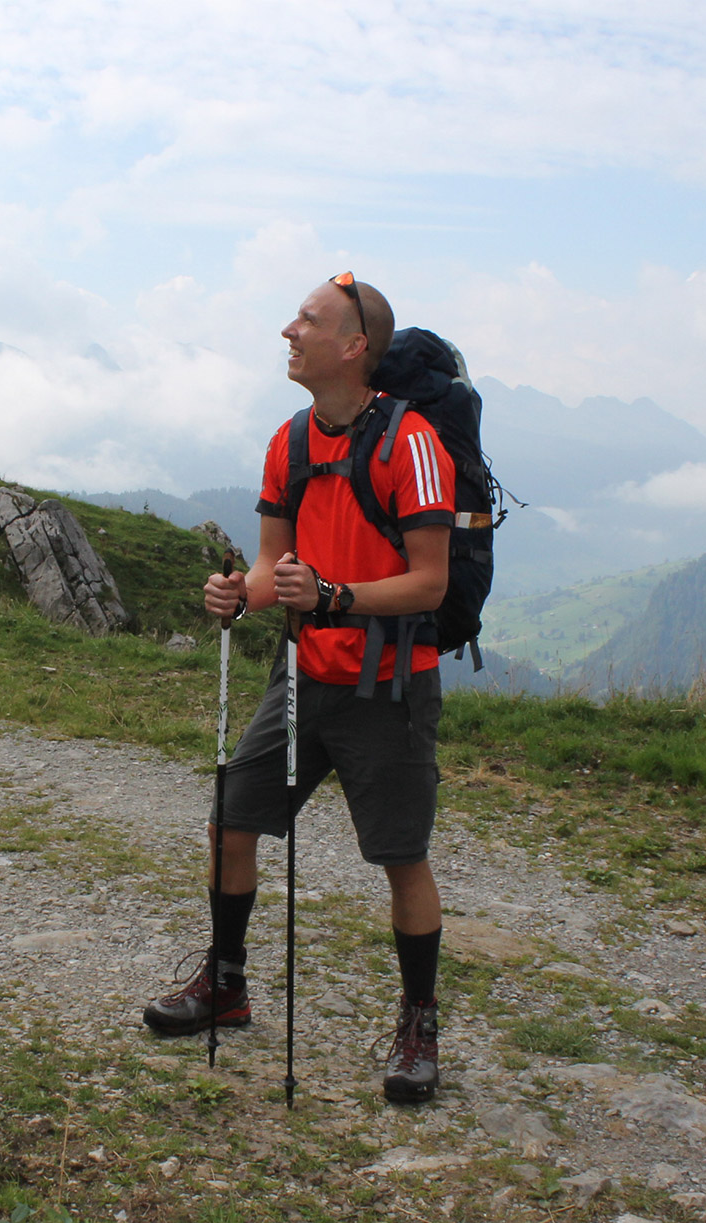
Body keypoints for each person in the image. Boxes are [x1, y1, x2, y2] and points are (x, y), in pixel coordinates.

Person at [143, 273, 455, 1103]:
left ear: (355, 347)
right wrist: (234, 595)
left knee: (400, 857)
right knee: (230, 822)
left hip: (388, 687)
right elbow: (273, 570)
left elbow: (430, 584)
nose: (289, 330)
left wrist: (335, 597)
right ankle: (227, 984)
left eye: (308, 321)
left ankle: (419, 1023)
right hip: (303, 675)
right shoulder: (290, 440)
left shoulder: (413, 443)